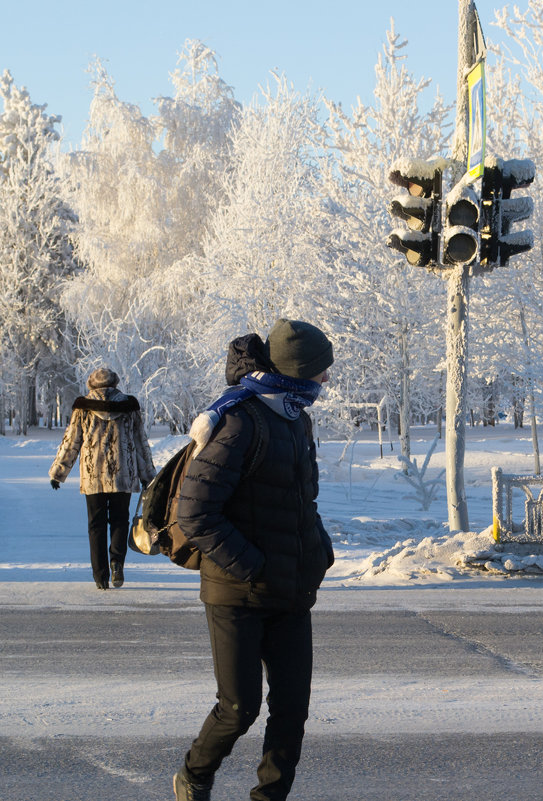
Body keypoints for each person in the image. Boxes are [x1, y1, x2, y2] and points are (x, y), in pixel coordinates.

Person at [173, 319, 335, 801]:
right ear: (297, 371)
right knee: (239, 707)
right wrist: (252, 565)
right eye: (321, 370)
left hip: (290, 588)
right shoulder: (240, 421)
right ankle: (195, 773)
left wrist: (318, 551)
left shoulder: (295, 415)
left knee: (292, 710)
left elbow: (300, 498)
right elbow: (196, 511)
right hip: (237, 591)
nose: (327, 380)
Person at [49, 367, 156, 589]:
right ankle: (117, 563)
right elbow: (140, 443)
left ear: (92, 384)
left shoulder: (83, 407)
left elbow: (71, 442)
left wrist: (59, 473)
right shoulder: (129, 406)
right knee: (119, 521)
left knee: (96, 525)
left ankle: (100, 576)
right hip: (123, 475)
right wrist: (148, 475)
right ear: (115, 383)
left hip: (93, 476)